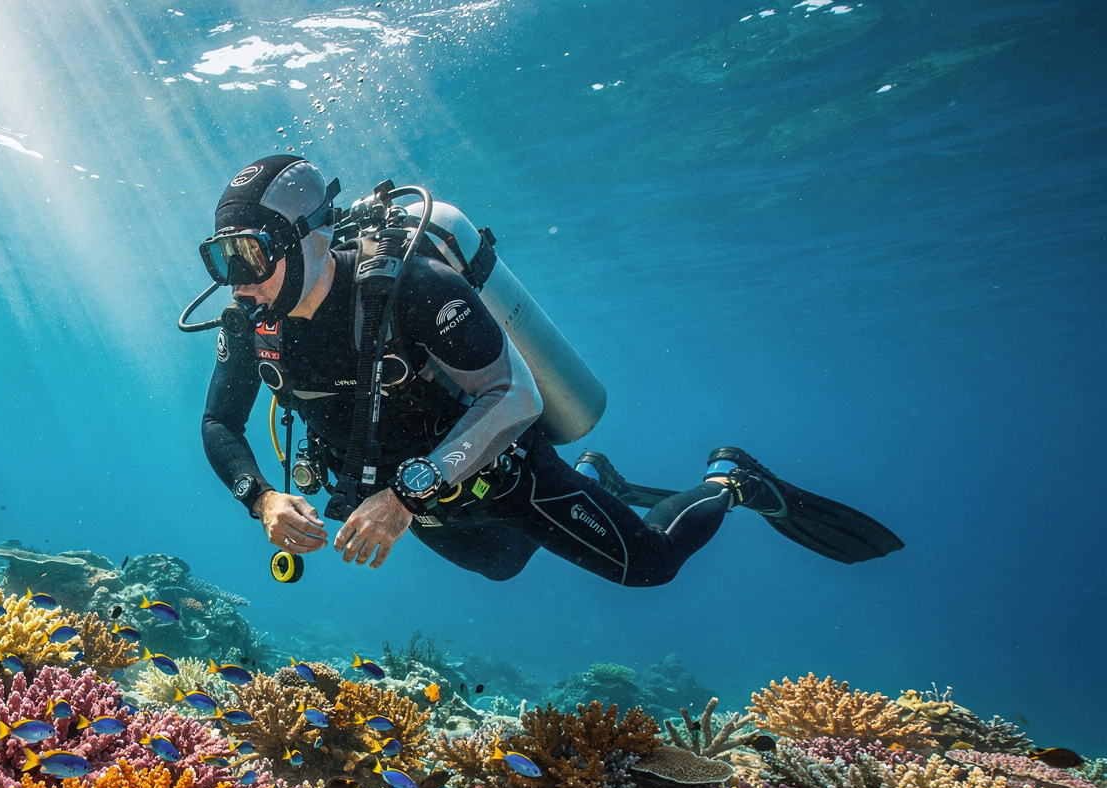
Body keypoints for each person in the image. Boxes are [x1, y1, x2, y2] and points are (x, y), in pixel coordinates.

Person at [197, 155, 901, 584]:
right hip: (407, 497)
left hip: (496, 471)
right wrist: (260, 499)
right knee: (502, 564)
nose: (237, 283)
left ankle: (731, 480)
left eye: (250, 256)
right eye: (221, 260)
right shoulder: (248, 322)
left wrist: (408, 497)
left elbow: (514, 395)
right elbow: (217, 421)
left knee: (650, 566)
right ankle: (600, 477)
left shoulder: (410, 290)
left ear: (311, 235)